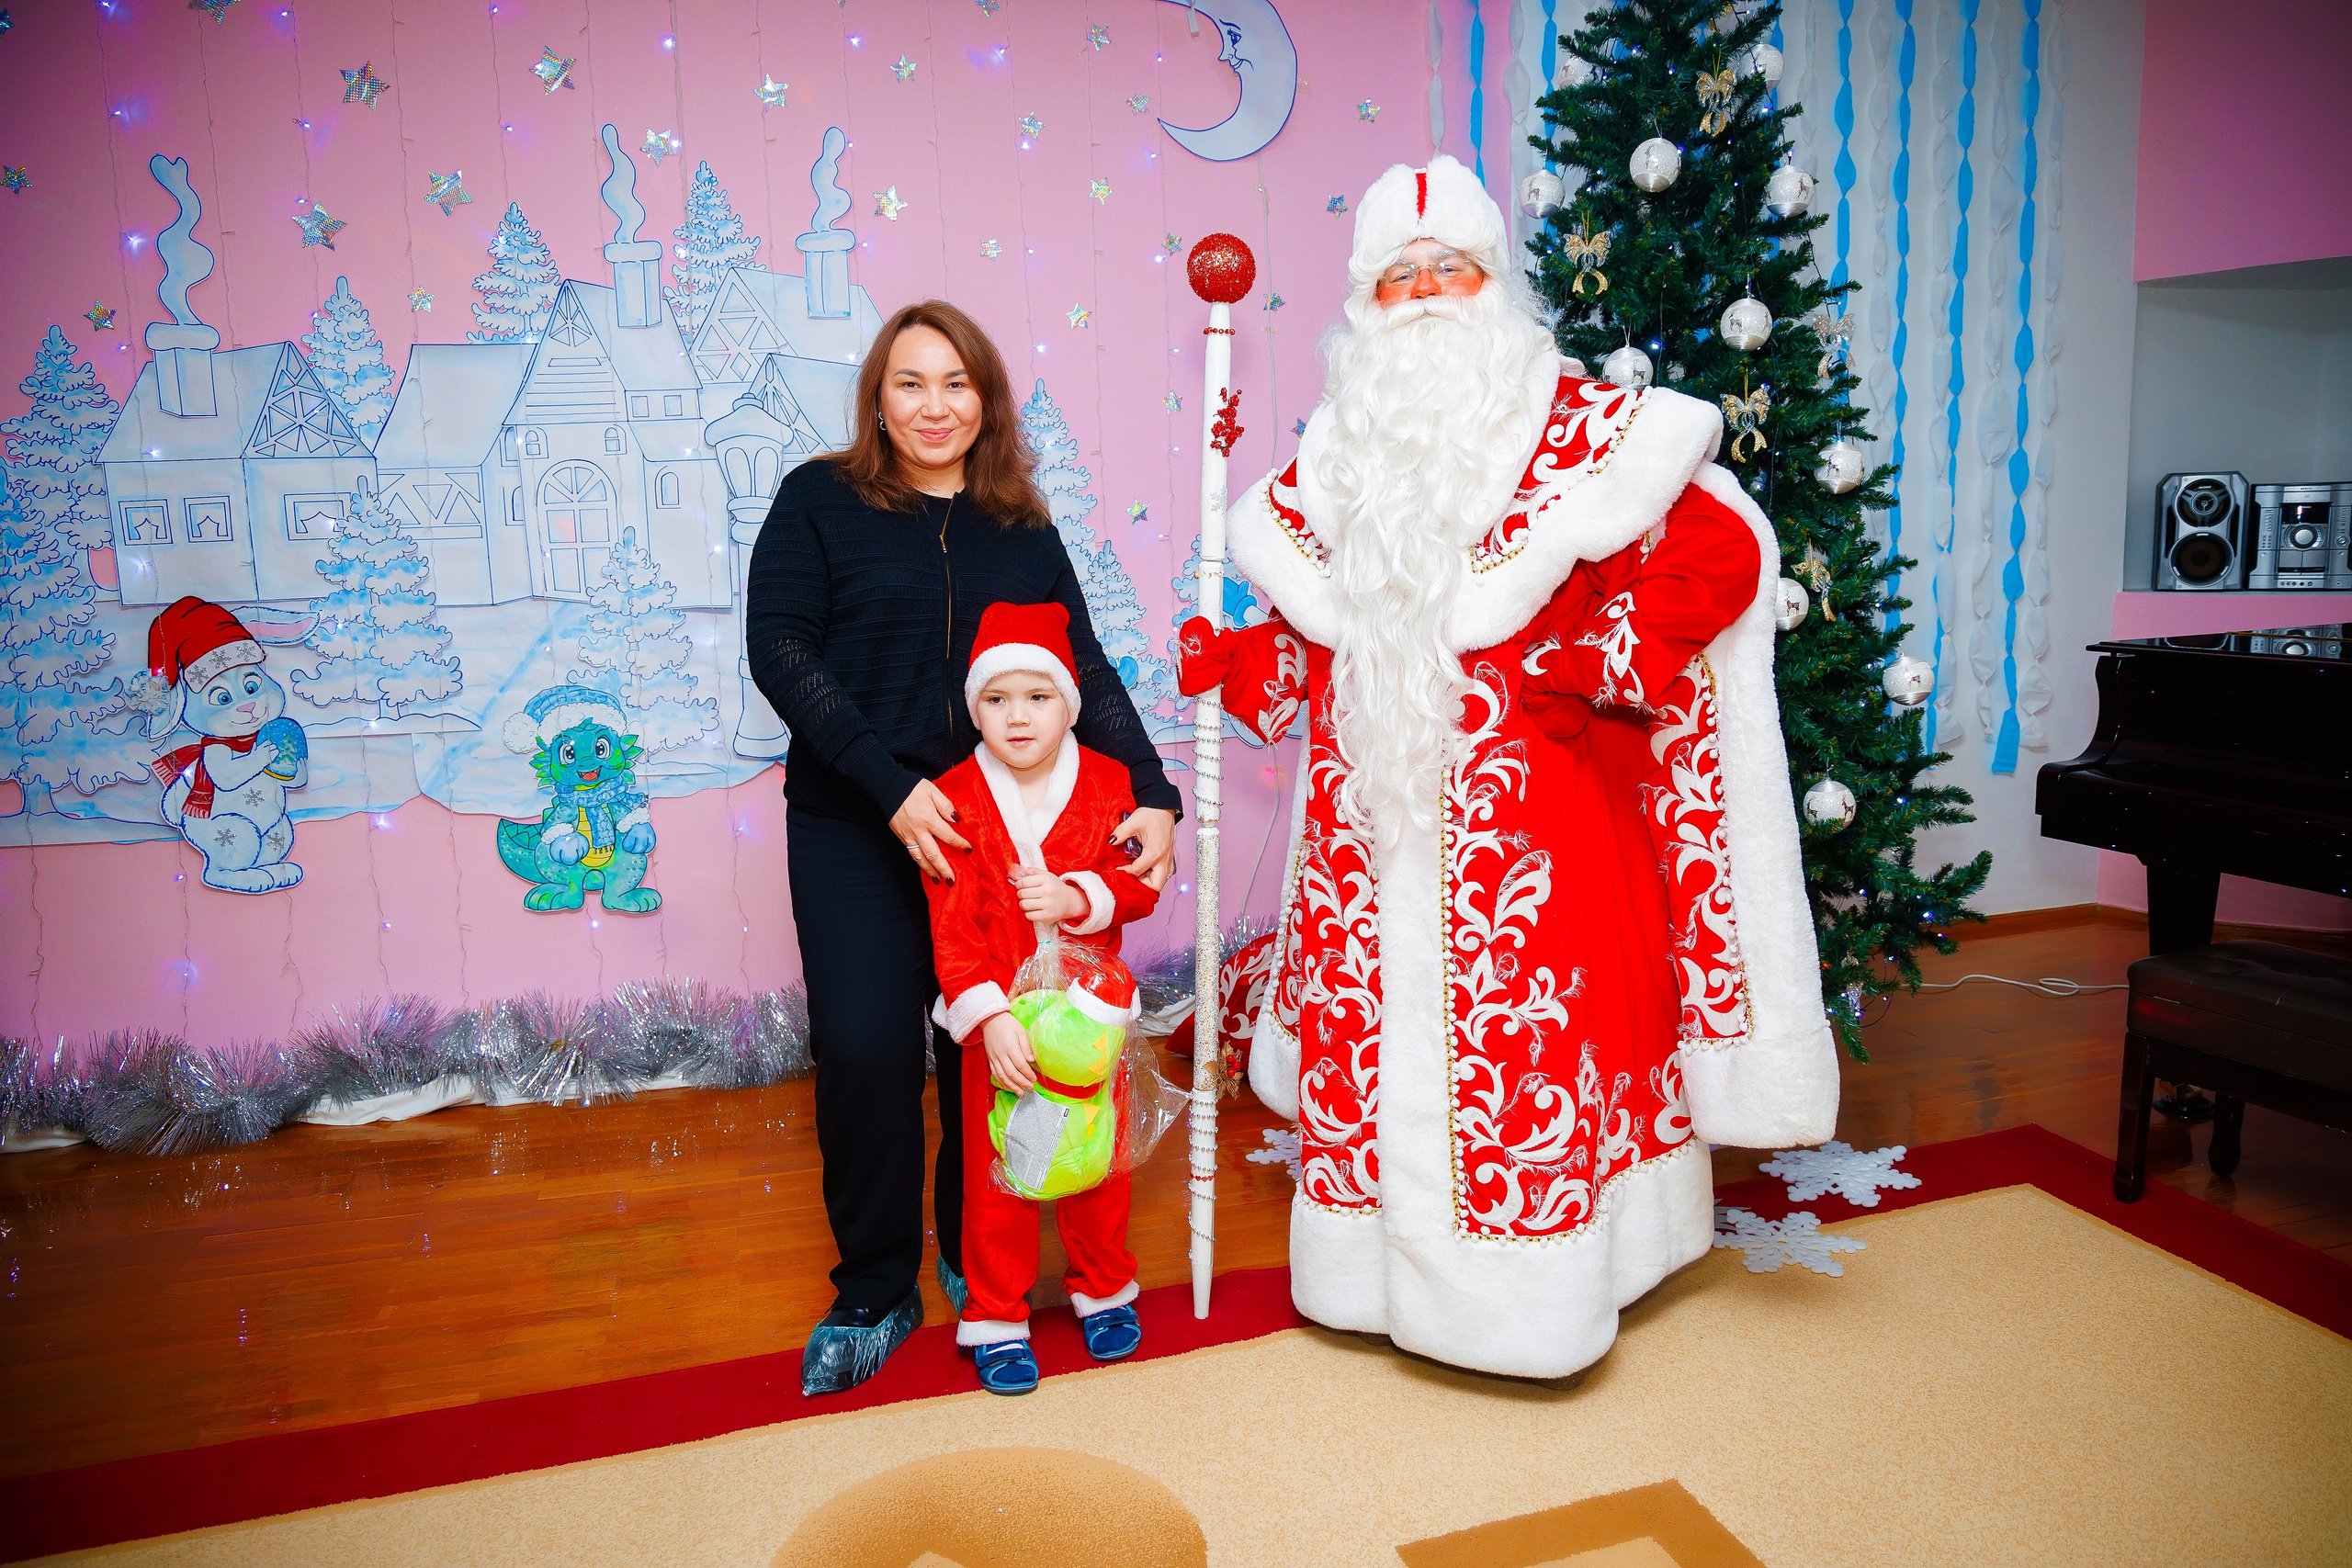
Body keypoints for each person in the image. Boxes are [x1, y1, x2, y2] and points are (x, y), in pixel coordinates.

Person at [1176, 155, 1838, 1380]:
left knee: (1527, 1056)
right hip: (1364, 844)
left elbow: (1719, 548)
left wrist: (1597, 653)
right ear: (1365, 304)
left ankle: (1534, 1303)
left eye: (1450, 268)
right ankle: (1370, 1280)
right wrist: (1235, 658)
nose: (1426, 292)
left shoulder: (1586, 433)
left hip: (1530, 840)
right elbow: (1305, 654)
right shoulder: (1332, 463)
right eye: (1400, 275)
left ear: (1494, 283)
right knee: (1373, 1050)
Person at [746, 300, 1181, 1397]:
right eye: (910, 383)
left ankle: (966, 1257)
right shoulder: (820, 500)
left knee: (982, 1053)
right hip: (857, 821)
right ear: (878, 403)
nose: (934, 406)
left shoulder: (1019, 527)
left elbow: (1085, 662)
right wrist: (889, 787)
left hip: (991, 839)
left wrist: (1159, 797)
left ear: (983, 400)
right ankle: (878, 1287)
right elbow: (779, 647)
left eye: (957, 384)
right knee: (866, 1053)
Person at [922, 601, 1160, 1395]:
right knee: (1003, 1172)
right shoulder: (952, 797)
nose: (1017, 717)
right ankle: (996, 1312)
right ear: (973, 706)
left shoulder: (1110, 782)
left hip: (1090, 1014)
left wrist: (1080, 896)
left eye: (1037, 696)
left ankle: (1104, 1287)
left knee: (1099, 1159)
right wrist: (987, 1018)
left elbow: (1138, 886)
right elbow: (950, 927)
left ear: (1069, 701)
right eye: (996, 699)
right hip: (1000, 1023)